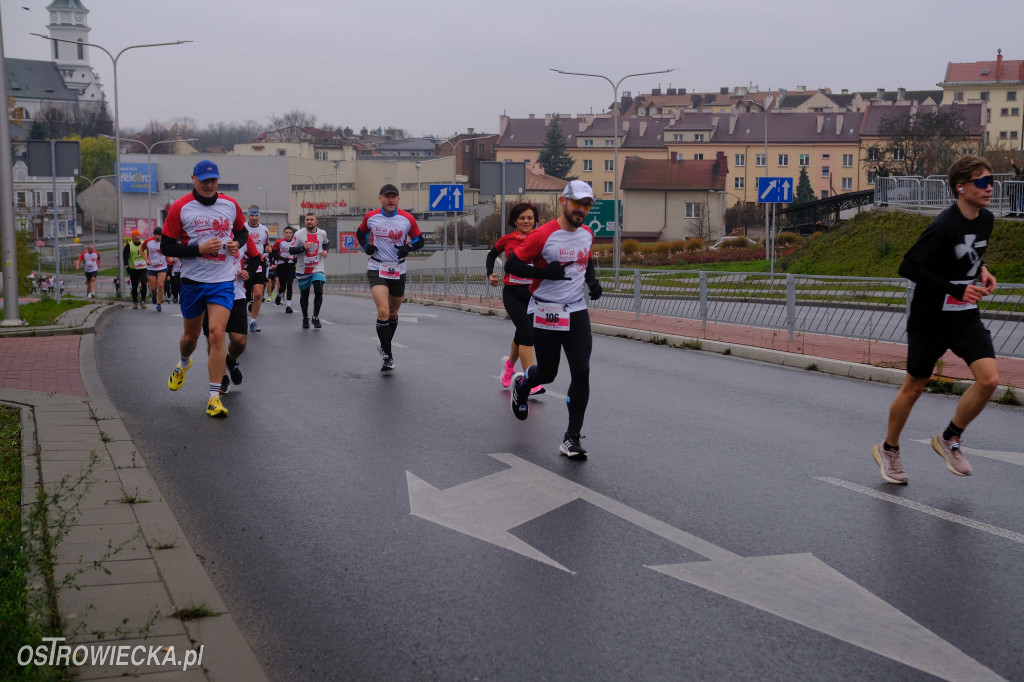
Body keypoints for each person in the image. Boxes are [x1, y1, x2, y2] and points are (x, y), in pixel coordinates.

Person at [872, 155, 1000, 484]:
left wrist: (983, 271)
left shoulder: (986, 220)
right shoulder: (943, 225)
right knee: (914, 386)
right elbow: (909, 267)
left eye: (992, 181)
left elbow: (973, 255)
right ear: (961, 188)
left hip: (964, 317)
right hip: (929, 319)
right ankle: (889, 449)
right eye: (983, 182)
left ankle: (950, 438)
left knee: (989, 381)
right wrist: (954, 291)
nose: (990, 188)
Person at [506, 180, 603, 458]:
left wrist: (593, 283)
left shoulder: (586, 233)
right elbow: (512, 264)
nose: (581, 210)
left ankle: (571, 437)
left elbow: (586, 260)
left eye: (587, 205)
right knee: (547, 374)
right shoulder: (542, 234)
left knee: (582, 371)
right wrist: (545, 274)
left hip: (575, 311)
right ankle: (523, 383)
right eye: (577, 203)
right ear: (563, 202)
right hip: (545, 311)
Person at [159, 160, 247, 418]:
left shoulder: (230, 205)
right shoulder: (180, 207)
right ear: (194, 179)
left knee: (218, 333)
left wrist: (235, 245)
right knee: (191, 339)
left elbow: (242, 233)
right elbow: (166, 247)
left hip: (222, 280)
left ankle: (213, 398)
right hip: (192, 281)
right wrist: (197, 250)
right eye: (204, 180)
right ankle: (183, 363)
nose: (209, 185)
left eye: (214, 180)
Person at [356, 184, 424, 369]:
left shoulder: (407, 218)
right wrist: (366, 247)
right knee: (383, 311)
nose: (391, 200)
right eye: (387, 197)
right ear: (380, 199)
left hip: (397, 269)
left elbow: (420, 240)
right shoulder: (371, 217)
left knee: (393, 313)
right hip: (377, 266)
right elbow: (360, 233)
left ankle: (384, 344)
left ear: (398, 199)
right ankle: (388, 354)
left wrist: (408, 247)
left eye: (394, 197)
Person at [486, 202, 545, 395]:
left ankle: (509, 365)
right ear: (515, 221)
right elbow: (491, 255)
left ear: (535, 220)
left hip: (534, 293)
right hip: (513, 293)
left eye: (530, 218)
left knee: (522, 334)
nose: (526, 221)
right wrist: (490, 274)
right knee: (528, 333)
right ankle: (531, 381)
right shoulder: (507, 239)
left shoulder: (541, 238)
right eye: (522, 218)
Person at [202, 229, 259, 395]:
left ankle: (229, 360)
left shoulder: (242, 237)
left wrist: (249, 272)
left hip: (237, 294)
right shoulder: (207, 234)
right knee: (213, 339)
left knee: (239, 341)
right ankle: (221, 377)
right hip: (211, 294)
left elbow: (256, 258)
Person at [290, 213, 329, 329]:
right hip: (303, 269)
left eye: (311, 219)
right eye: (307, 220)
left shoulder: (322, 233)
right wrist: (303, 248)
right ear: (305, 222)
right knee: (305, 295)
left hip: (318, 267)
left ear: (316, 222)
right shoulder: (299, 234)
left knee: (318, 290)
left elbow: (327, 243)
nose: (309, 221)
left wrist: (326, 251)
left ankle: (315, 317)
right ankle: (305, 318)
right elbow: (291, 250)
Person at [242, 206, 270, 332]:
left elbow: (265, 246)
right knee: (246, 294)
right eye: (251, 215)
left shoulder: (264, 230)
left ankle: (253, 321)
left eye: (256, 215)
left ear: (259, 216)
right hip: (244, 263)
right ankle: (241, 318)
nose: (254, 218)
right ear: (248, 215)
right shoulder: (242, 228)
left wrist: (268, 249)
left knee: (258, 293)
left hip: (259, 262)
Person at [271, 225, 297, 313]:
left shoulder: (295, 242)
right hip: (281, 265)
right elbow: (273, 253)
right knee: (282, 285)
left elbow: (299, 252)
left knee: (289, 284)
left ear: (292, 234)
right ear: (284, 233)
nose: (288, 235)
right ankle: (278, 295)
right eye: (287, 233)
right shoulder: (279, 242)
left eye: (290, 233)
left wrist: (295, 259)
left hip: (291, 265)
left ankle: (288, 306)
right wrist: (282, 258)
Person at [142, 226, 169, 312]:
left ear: (162, 235)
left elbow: (170, 251)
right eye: (155, 235)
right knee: (153, 288)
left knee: (160, 285)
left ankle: (159, 303)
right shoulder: (148, 241)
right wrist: (146, 259)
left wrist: (169, 257)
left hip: (162, 266)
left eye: (159, 235)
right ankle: (154, 294)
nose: (157, 237)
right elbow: (141, 250)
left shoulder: (165, 242)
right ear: (153, 235)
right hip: (151, 267)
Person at [123, 230, 149, 309]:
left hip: (143, 268)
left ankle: (143, 301)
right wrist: (127, 267)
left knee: (144, 284)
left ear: (140, 236)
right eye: (135, 236)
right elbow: (125, 257)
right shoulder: (128, 245)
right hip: (133, 269)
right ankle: (135, 302)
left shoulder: (144, 243)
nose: (137, 237)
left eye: (138, 236)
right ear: (132, 237)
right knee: (134, 286)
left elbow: (149, 252)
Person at [1006, 150, 1024, 217]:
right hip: (1018, 190)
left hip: (1020, 189)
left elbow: (1017, 170)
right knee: (1019, 201)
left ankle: (1022, 212)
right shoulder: (1019, 173)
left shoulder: (1021, 173)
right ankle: (1019, 212)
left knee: (1021, 201)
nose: (1021, 168)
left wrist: (1013, 164)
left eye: (1022, 167)